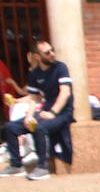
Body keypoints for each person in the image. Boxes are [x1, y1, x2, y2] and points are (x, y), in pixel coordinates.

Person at [2, 40, 73, 181]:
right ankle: (16, 165)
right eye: (47, 52)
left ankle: (42, 167)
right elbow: (34, 98)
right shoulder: (35, 74)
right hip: (43, 112)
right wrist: (29, 117)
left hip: (62, 113)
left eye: (52, 50)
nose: (52, 54)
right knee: (10, 127)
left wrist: (53, 113)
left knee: (40, 128)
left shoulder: (60, 68)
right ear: (37, 56)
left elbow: (65, 92)